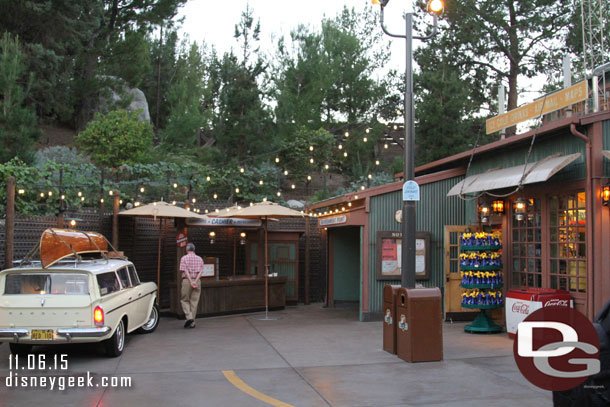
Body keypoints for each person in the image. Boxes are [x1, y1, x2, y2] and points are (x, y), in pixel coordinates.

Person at [179, 243, 204, 328]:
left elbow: (185, 271)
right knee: (194, 301)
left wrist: (190, 281)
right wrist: (195, 281)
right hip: (197, 281)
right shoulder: (200, 259)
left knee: (184, 300)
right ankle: (192, 323)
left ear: (187, 250)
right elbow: (201, 271)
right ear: (194, 249)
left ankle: (189, 318)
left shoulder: (184, 258)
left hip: (187, 281)